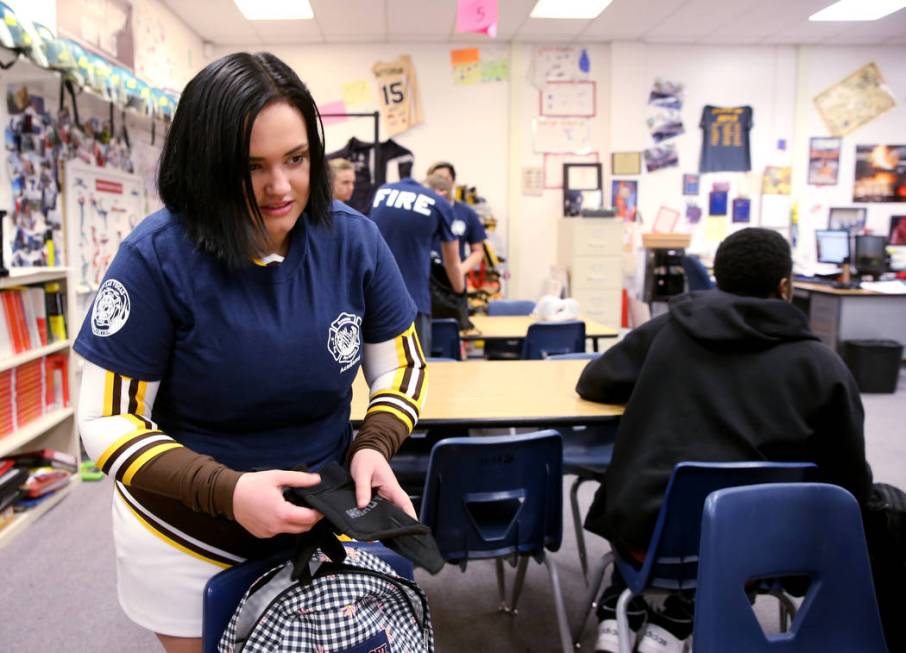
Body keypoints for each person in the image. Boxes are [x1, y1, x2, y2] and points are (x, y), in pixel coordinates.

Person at [74, 52, 425, 653]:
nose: (280, 187)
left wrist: (374, 443)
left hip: (320, 516)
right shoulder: (155, 257)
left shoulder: (354, 240)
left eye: (296, 159)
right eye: (251, 167)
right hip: (186, 530)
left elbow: (402, 364)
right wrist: (226, 491)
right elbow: (105, 419)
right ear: (206, 167)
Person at [576, 228, 873, 653]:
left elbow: (594, 382)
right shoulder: (823, 367)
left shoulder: (669, 330)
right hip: (760, 550)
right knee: (739, 505)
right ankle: (679, 616)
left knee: (664, 491)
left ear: (717, 279)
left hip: (649, 539)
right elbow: (849, 483)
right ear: (785, 287)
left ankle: (627, 608)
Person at [369, 175, 464, 355]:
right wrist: (460, 296)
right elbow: (452, 262)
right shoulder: (439, 202)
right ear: (443, 193)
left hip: (373, 299)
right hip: (414, 302)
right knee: (415, 371)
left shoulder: (384, 190)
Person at [426, 161, 487, 274]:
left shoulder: (467, 213)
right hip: (424, 276)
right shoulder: (421, 211)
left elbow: (478, 251)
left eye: (445, 179)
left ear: (453, 182)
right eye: (436, 179)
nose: (441, 183)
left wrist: (459, 270)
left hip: (452, 280)